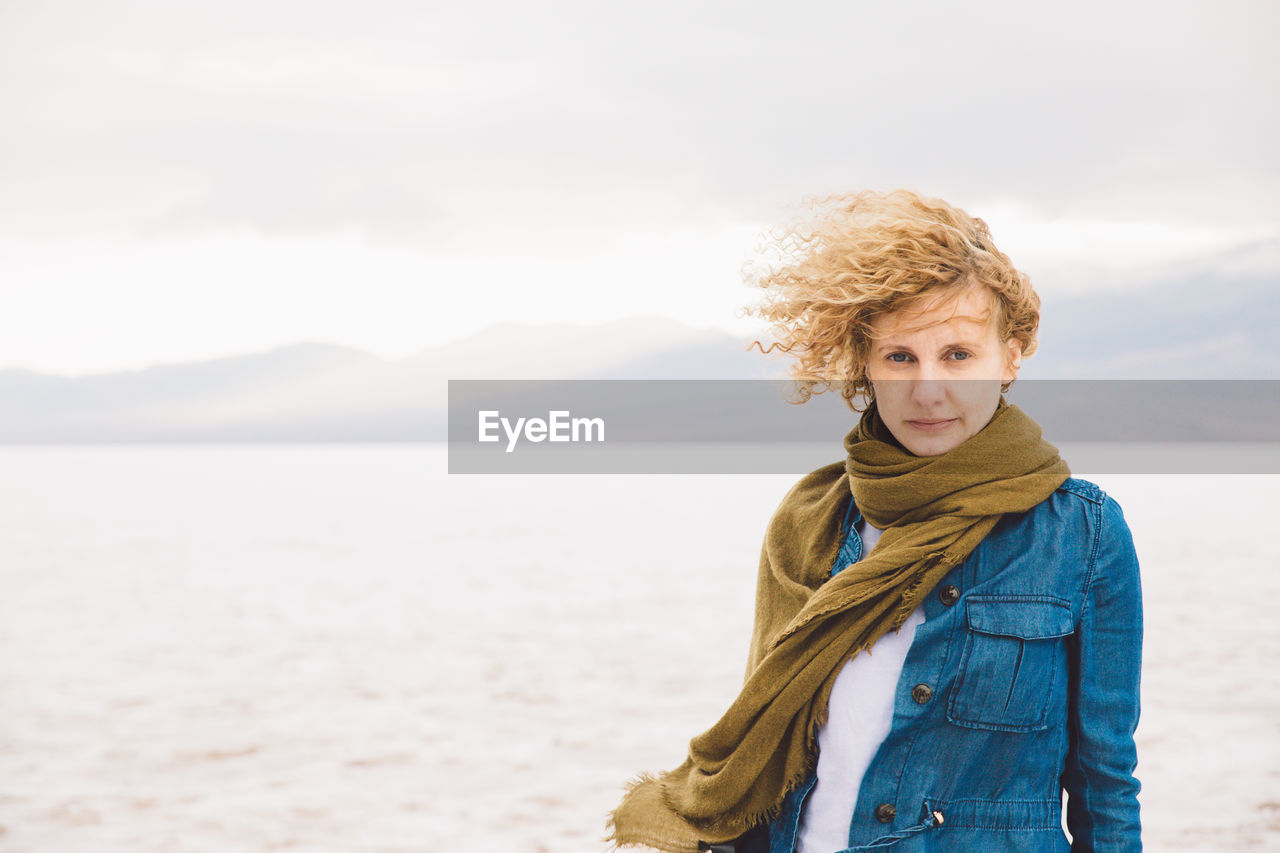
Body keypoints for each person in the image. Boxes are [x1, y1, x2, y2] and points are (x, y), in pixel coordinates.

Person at [605, 189, 1143, 853]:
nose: (927, 389)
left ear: (1011, 355)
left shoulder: (1080, 533)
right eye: (899, 357)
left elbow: (1104, 783)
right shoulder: (812, 520)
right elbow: (767, 745)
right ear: (865, 362)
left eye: (957, 355)